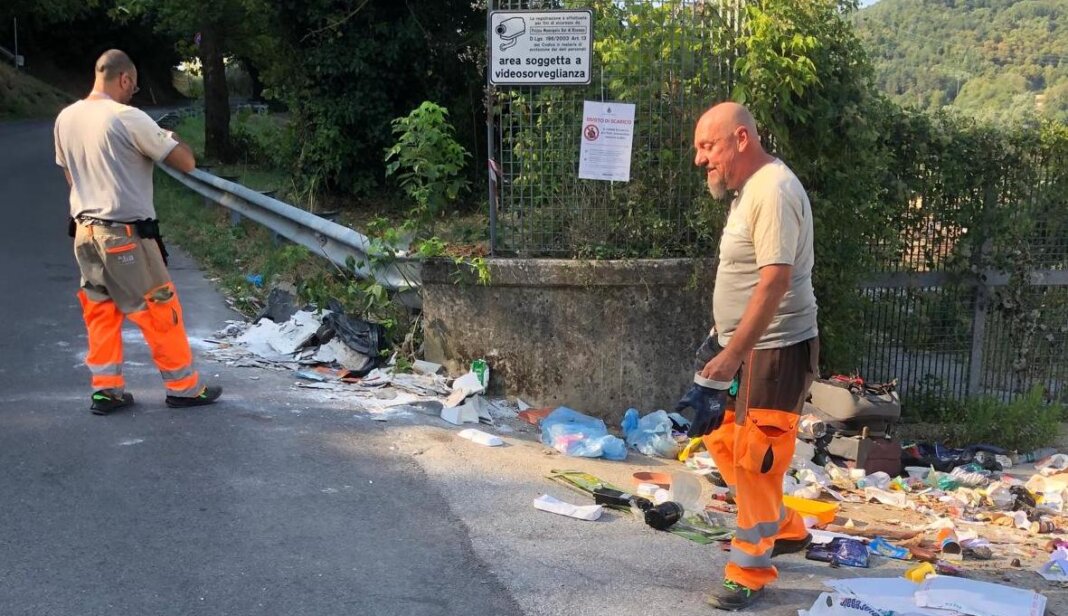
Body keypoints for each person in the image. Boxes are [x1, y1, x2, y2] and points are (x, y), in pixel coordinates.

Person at [675, 102, 819, 611]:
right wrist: (723, 338)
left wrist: (734, 352)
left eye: (707, 146)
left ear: (741, 139)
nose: (700, 159)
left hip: (774, 349)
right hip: (735, 343)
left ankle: (749, 572)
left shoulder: (773, 190)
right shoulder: (748, 191)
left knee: (757, 459)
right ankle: (783, 525)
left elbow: (775, 282)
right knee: (715, 432)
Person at [54, 49, 222, 415]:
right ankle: (183, 388)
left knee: (101, 310)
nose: (134, 93)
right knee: (160, 307)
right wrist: (168, 134)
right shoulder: (127, 117)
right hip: (125, 236)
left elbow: (71, 176)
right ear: (125, 79)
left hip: (85, 233)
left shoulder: (66, 118)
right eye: (134, 86)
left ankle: (106, 390)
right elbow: (186, 161)